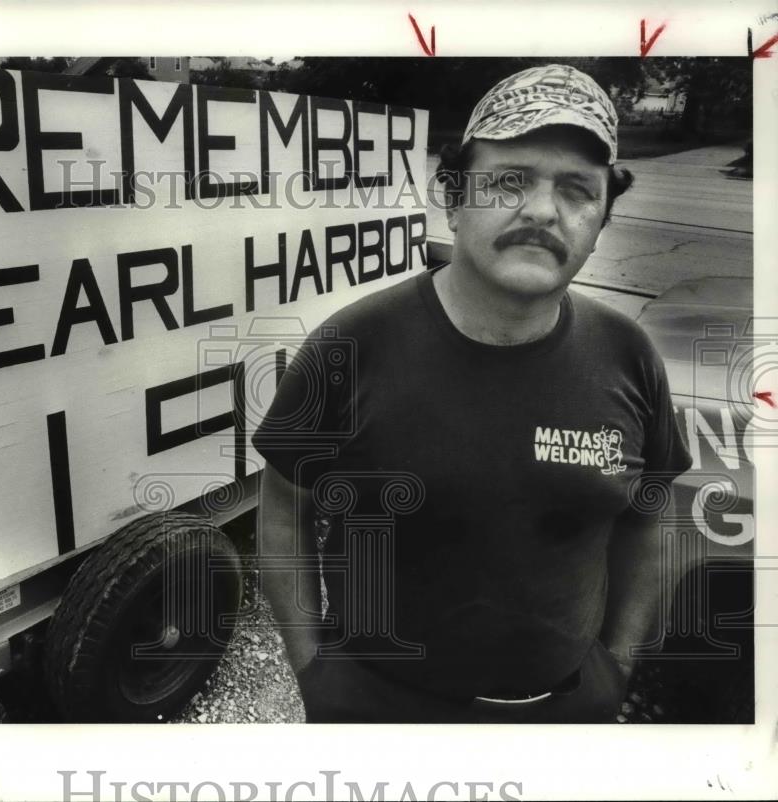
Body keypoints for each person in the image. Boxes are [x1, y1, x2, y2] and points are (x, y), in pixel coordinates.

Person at [251, 64, 693, 723]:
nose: (543, 210)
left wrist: (615, 665)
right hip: (382, 712)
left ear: (600, 224)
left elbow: (647, 515)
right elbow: (285, 510)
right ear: (454, 200)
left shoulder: (629, 357)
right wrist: (315, 668)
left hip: (563, 714)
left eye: (577, 191)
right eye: (510, 180)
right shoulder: (348, 348)